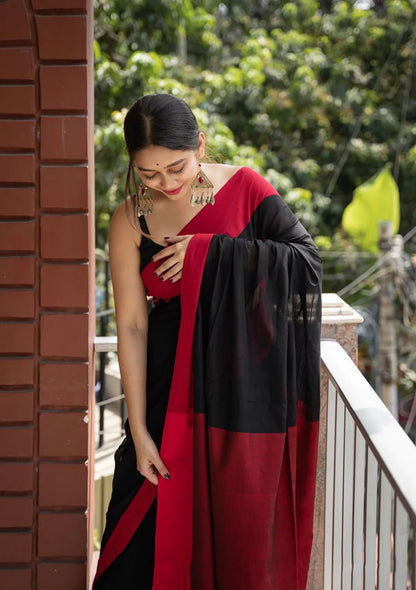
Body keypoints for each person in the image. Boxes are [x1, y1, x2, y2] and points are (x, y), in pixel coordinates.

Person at [93, 93, 322, 590]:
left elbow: (305, 264)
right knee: (133, 543)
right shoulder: (130, 219)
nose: (166, 185)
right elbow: (132, 325)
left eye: (176, 168)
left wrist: (209, 252)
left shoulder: (245, 189)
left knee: (229, 536)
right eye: (148, 174)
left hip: (233, 393)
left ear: (200, 145)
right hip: (162, 392)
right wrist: (137, 428)